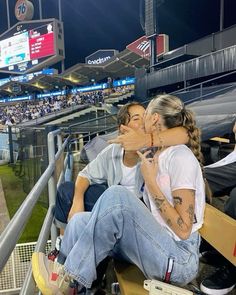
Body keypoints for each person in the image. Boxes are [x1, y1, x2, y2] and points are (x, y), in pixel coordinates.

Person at [32, 94, 206, 294]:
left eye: (145, 115)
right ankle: (63, 274)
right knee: (80, 221)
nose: (142, 121)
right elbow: (182, 133)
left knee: (117, 195)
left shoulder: (179, 157)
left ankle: (69, 279)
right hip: (153, 244)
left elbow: (184, 230)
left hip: (178, 258)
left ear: (155, 119)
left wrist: (150, 180)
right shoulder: (156, 151)